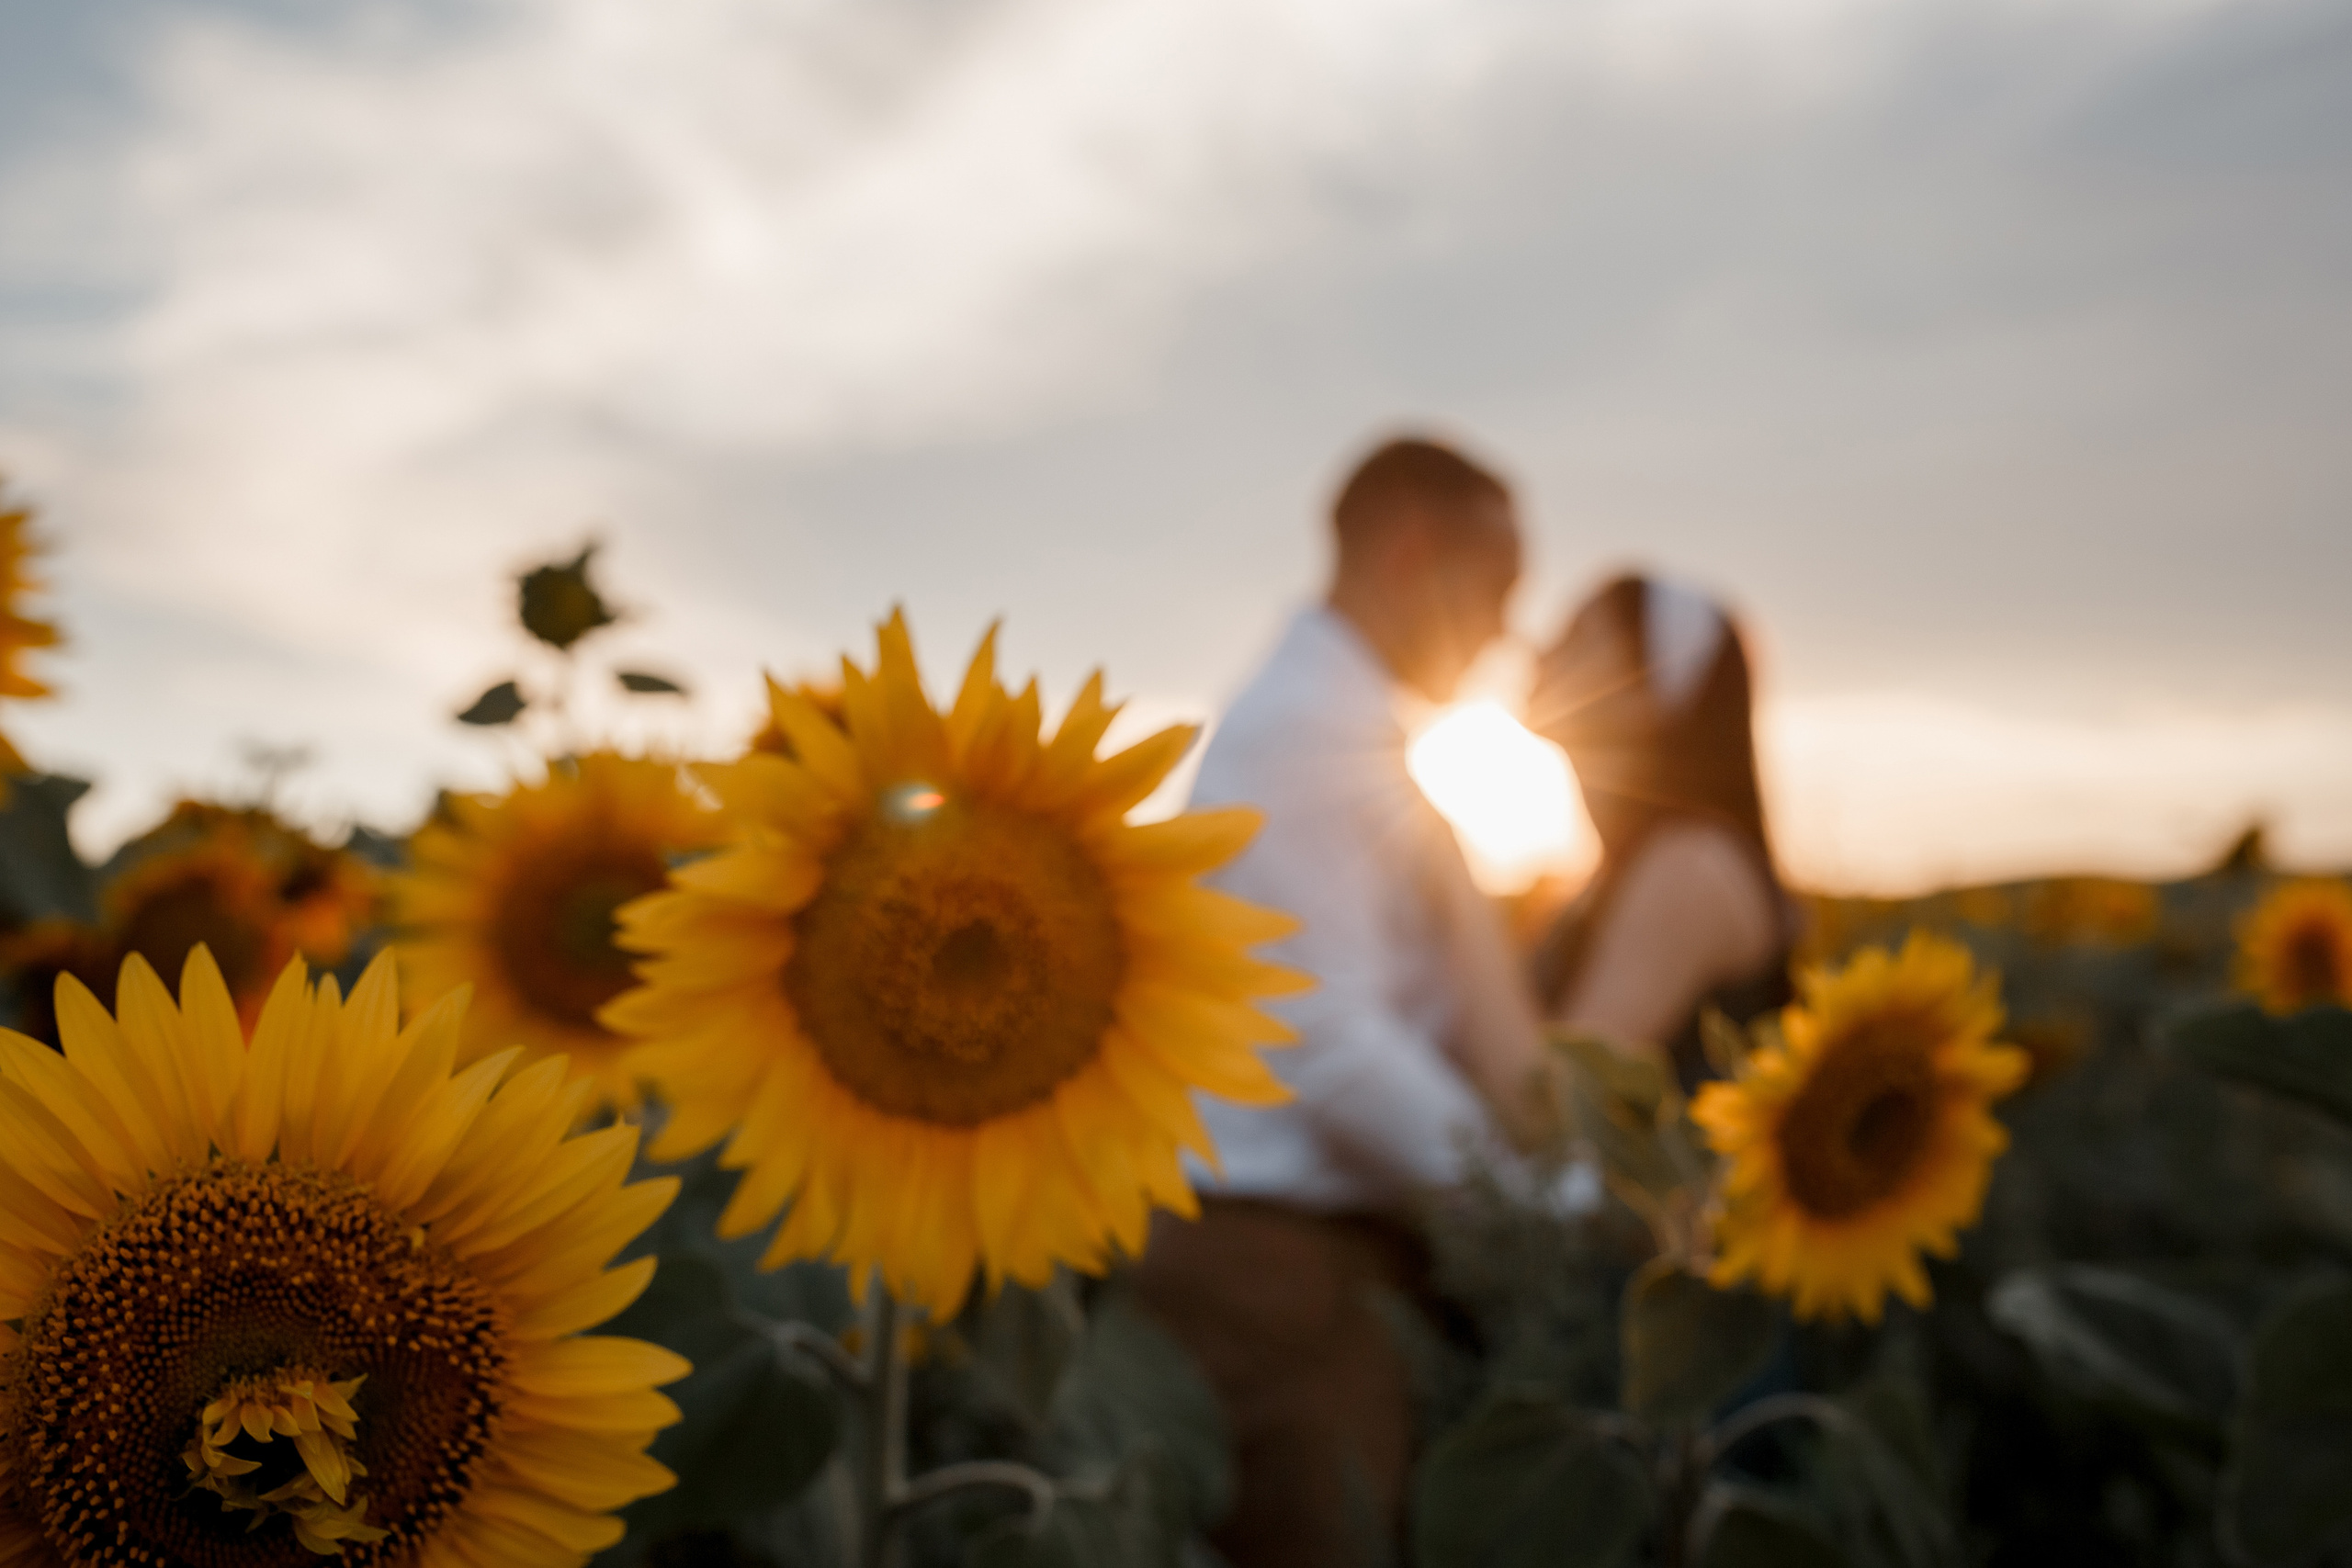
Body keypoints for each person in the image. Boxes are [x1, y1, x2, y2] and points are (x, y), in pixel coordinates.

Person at [1131, 434, 1562, 1568]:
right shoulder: (1306, 729)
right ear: (1414, 552)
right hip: (1274, 1270)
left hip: (1297, 1260)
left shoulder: (1338, 719)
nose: (1507, 631)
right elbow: (1330, 1049)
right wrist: (1529, 1205)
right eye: (1499, 585)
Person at [1526, 573, 1794, 1089]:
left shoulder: (1692, 869)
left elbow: (1557, 1098)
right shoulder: (1614, 875)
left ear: (1642, 687)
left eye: (1577, 639)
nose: (1540, 654)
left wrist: (1455, 900)